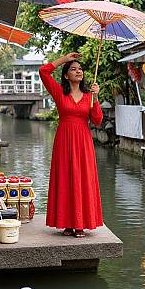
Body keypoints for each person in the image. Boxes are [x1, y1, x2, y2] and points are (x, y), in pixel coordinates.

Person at [39, 53, 103, 238]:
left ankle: (80, 224)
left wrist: (96, 97)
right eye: (73, 69)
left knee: (82, 179)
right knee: (66, 179)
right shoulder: (60, 92)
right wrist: (64, 60)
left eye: (80, 69)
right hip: (64, 141)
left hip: (83, 142)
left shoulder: (89, 96)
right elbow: (43, 72)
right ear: (66, 75)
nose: (78, 71)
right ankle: (67, 223)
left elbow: (97, 121)